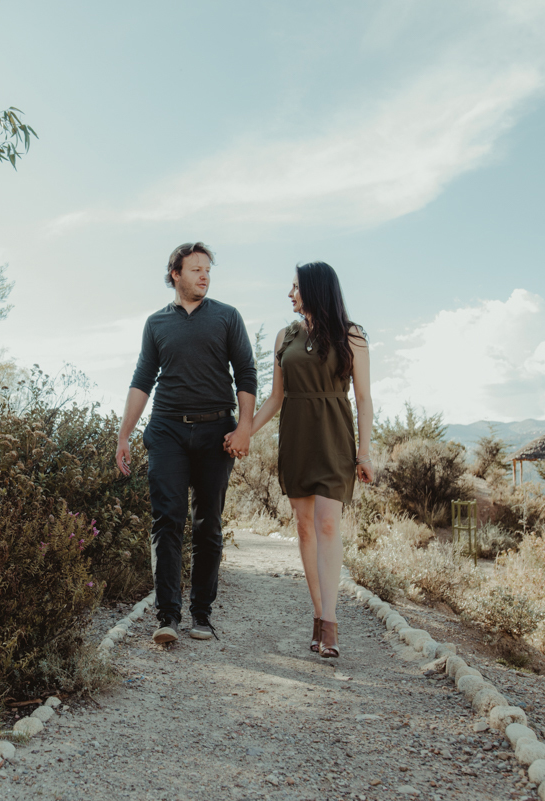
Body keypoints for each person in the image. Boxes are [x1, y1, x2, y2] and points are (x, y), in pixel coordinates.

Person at [115, 242, 257, 644]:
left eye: (207, 269)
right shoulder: (156, 323)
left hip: (216, 431)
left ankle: (202, 615)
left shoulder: (227, 317)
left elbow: (246, 372)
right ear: (175, 274)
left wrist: (244, 428)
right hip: (167, 430)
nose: (204, 276)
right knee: (167, 520)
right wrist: (124, 435)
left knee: (208, 523)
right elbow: (142, 380)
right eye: (196, 269)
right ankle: (167, 617)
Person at [234, 261, 373, 658]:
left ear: (314, 289)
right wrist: (245, 431)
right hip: (296, 435)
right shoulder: (285, 336)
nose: (289, 293)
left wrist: (364, 452)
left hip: (334, 436)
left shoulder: (352, 335)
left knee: (328, 523)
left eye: (295, 286)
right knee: (305, 527)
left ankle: (330, 623)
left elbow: (364, 398)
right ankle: (317, 612)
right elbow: (275, 398)